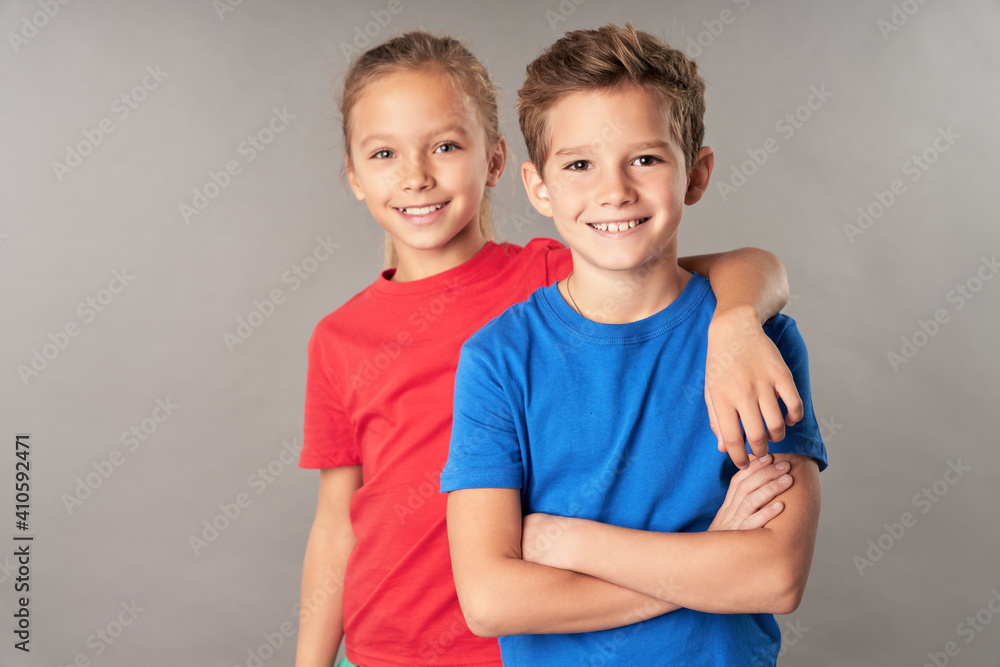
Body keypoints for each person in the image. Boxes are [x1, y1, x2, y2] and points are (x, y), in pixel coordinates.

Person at [296, 29, 803, 667]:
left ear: (496, 161)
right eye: (383, 154)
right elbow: (336, 523)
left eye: (445, 146)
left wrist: (737, 321)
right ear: (352, 174)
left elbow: (715, 273)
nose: (416, 176)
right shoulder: (341, 338)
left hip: (531, 633)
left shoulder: (551, 272)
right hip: (393, 643)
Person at [442, 24, 828, 666]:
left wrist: (570, 543)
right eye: (579, 165)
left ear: (696, 174)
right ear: (539, 187)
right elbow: (490, 600)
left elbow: (773, 576)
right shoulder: (499, 360)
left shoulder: (757, 343)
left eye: (645, 159)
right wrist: (709, 558)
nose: (615, 190)